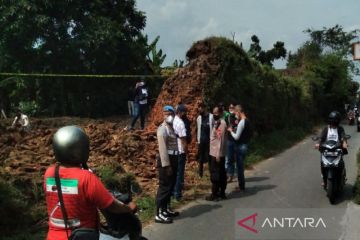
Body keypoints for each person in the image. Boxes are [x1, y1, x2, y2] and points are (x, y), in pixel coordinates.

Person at [44, 126, 139, 240]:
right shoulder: (86, 178)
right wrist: (128, 208)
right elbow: (112, 206)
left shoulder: (49, 173)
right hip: (82, 237)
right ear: (80, 151)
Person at [155, 106, 180, 224]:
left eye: (170, 113)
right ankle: (158, 213)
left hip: (173, 159)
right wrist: (167, 165)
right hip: (166, 161)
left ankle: (165, 210)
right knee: (164, 187)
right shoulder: (162, 129)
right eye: (165, 113)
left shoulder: (171, 128)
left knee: (170, 186)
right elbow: (163, 149)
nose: (168, 116)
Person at [315, 111, 348, 189]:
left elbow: (343, 136)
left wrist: (344, 142)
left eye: (335, 120)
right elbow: (321, 137)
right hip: (327, 149)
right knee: (323, 163)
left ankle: (342, 175)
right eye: (332, 120)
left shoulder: (340, 128)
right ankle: (324, 178)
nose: (334, 122)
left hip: (337, 148)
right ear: (330, 120)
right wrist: (318, 143)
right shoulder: (326, 128)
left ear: (338, 121)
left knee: (341, 163)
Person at [227, 105, 251, 192]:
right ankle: (241, 185)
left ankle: (241, 186)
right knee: (240, 166)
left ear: (238, 112)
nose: (235, 115)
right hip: (245, 145)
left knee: (240, 167)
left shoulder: (242, 122)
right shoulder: (248, 120)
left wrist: (231, 131)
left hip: (240, 146)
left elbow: (236, 137)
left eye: (236, 113)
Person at [207, 105, 228, 201]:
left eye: (216, 113)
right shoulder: (217, 122)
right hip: (215, 151)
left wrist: (218, 154)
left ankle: (215, 194)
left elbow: (220, 140)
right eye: (213, 113)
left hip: (217, 153)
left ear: (220, 113)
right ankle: (221, 193)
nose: (214, 114)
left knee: (216, 173)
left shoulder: (221, 123)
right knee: (220, 172)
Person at [173, 104, 188, 201]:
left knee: (175, 172)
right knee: (179, 172)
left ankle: (173, 191)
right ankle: (177, 194)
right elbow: (183, 139)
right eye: (184, 112)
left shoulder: (172, 120)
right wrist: (186, 150)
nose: (185, 114)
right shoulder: (181, 123)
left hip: (173, 149)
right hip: (180, 150)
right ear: (181, 112)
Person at [196, 103, 214, 177]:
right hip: (201, 141)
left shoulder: (211, 117)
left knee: (210, 157)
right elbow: (198, 129)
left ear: (204, 108)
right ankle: (200, 173)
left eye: (201, 107)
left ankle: (211, 172)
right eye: (199, 108)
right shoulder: (199, 118)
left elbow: (213, 128)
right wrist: (198, 140)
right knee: (201, 158)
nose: (199, 109)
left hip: (209, 141)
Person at [226, 103, 239, 183]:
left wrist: (233, 129)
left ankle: (238, 175)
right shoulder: (227, 117)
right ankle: (230, 175)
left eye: (232, 107)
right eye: (230, 107)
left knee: (237, 158)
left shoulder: (237, 117)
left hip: (236, 140)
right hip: (229, 140)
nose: (231, 108)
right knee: (229, 159)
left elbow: (238, 128)